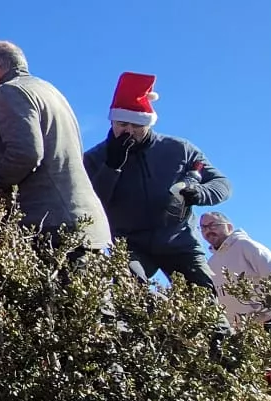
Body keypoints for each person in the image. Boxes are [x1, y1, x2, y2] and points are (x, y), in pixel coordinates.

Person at [82, 73, 230, 287]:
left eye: (137, 125)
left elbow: (222, 184)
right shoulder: (95, 158)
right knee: (129, 297)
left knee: (206, 304)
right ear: (113, 120)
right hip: (129, 245)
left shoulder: (179, 149)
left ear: (148, 124)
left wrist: (198, 194)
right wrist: (111, 167)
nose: (129, 131)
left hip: (179, 242)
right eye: (123, 124)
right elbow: (90, 203)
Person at [0, 41, 111, 252]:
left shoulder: (10, 91)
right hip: (84, 224)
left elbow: (25, 154)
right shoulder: (48, 91)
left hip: (52, 226)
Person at [200, 212, 271, 338]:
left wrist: (268, 313)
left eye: (213, 225)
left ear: (229, 227)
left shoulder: (246, 246)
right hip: (238, 331)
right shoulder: (211, 263)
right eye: (203, 228)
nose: (208, 231)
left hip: (270, 322)